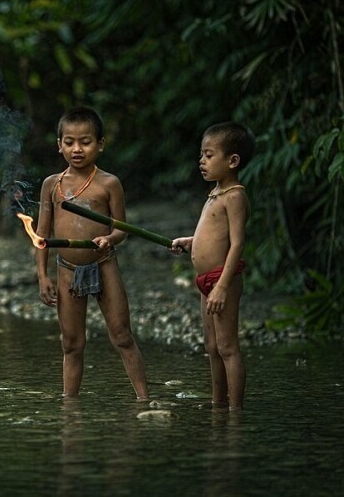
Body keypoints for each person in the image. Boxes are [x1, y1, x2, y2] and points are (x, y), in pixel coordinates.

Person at [36, 106, 149, 399]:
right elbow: (42, 236)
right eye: (70, 142)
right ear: (59, 145)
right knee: (71, 343)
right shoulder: (52, 185)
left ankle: (143, 398)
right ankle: (69, 406)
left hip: (103, 263)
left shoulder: (109, 183)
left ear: (100, 144)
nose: (77, 149)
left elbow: (121, 228)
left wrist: (110, 238)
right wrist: (41, 276)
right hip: (66, 269)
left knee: (122, 335)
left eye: (85, 142)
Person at [170, 121, 256, 410]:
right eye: (201, 156)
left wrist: (221, 287)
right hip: (206, 279)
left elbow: (237, 244)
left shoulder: (235, 196)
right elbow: (211, 236)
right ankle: (218, 403)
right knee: (211, 347)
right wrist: (190, 241)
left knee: (228, 347)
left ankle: (235, 410)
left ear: (232, 161)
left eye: (209, 155)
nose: (202, 162)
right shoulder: (215, 193)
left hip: (223, 280)